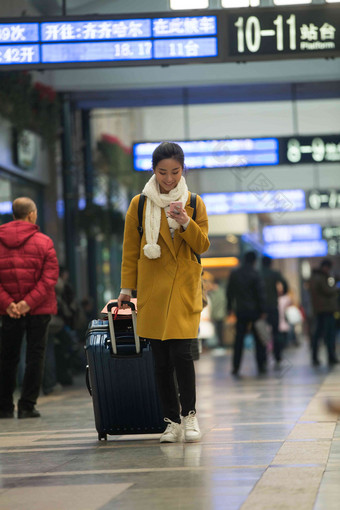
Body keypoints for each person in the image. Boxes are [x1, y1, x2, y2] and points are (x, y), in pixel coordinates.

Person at [117, 141, 210, 443]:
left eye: (174, 172)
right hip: (153, 289)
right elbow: (130, 250)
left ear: (183, 170)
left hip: (183, 288)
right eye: (162, 172)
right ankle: (171, 420)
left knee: (182, 354)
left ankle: (190, 416)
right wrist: (126, 289)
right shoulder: (140, 203)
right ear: (153, 171)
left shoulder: (194, 202)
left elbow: (203, 246)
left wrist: (185, 221)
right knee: (160, 360)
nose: (168, 179)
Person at [0, 197, 59, 418]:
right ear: (32, 214)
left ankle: (4, 407)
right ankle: (27, 406)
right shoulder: (44, 242)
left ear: (13, 214)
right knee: (35, 356)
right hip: (38, 310)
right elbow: (50, 277)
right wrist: (28, 303)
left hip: (9, 311)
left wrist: (9, 304)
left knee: (7, 357)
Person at [226, 251, 267, 376]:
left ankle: (236, 367)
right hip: (254, 312)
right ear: (254, 261)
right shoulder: (255, 274)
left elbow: (229, 293)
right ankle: (261, 365)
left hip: (241, 311)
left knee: (239, 340)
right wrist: (263, 310)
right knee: (259, 339)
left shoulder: (235, 274)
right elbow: (260, 294)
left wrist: (229, 308)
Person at [309, 259, 338, 367]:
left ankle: (318, 357)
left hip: (322, 310)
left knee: (320, 335)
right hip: (325, 310)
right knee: (328, 335)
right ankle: (330, 356)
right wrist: (336, 288)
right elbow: (327, 290)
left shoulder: (316, 277)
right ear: (325, 267)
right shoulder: (319, 278)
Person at [261, 256, 287, 367]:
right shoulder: (274, 273)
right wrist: (281, 293)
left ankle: (263, 357)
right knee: (276, 332)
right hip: (272, 306)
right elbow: (285, 284)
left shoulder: (258, 273)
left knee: (262, 333)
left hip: (262, 307)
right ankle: (277, 355)